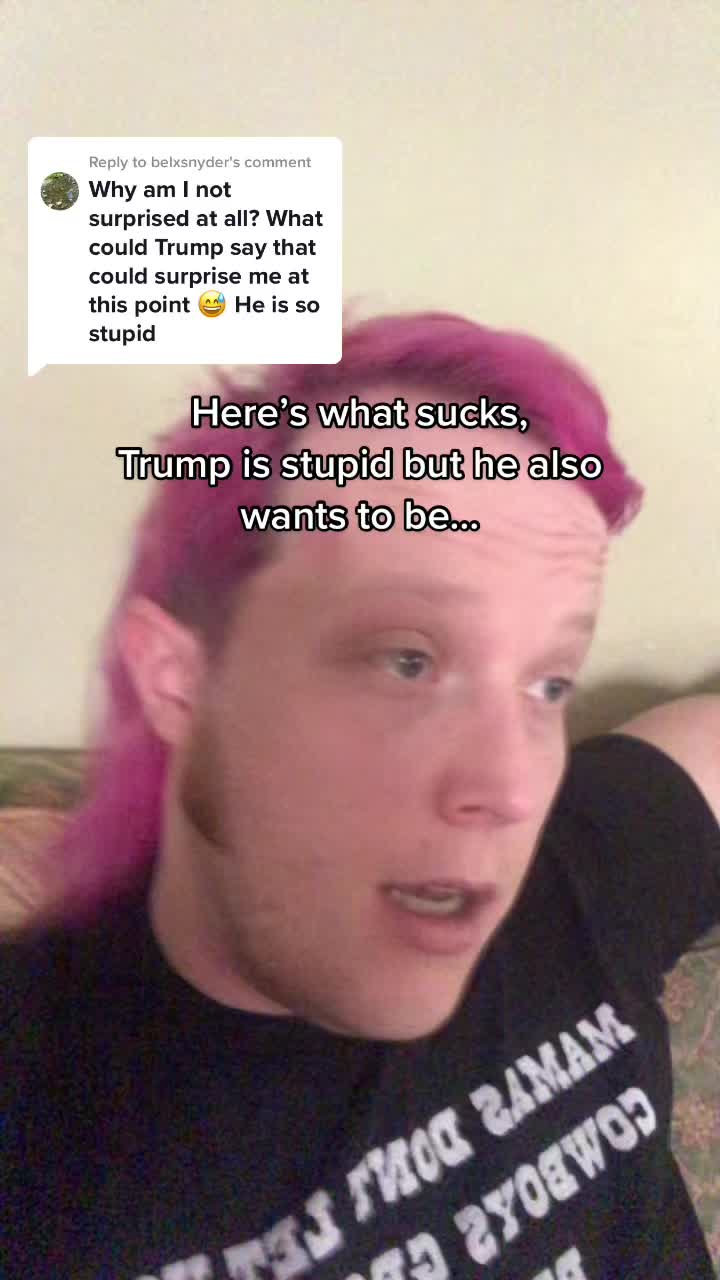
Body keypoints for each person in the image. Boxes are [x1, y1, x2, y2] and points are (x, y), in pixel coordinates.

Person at [3, 311, 719, 1280]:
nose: (511, 788)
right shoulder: (43, 1122)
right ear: (179, 680)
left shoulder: (574, 874)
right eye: (406, 661)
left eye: (549, 682)